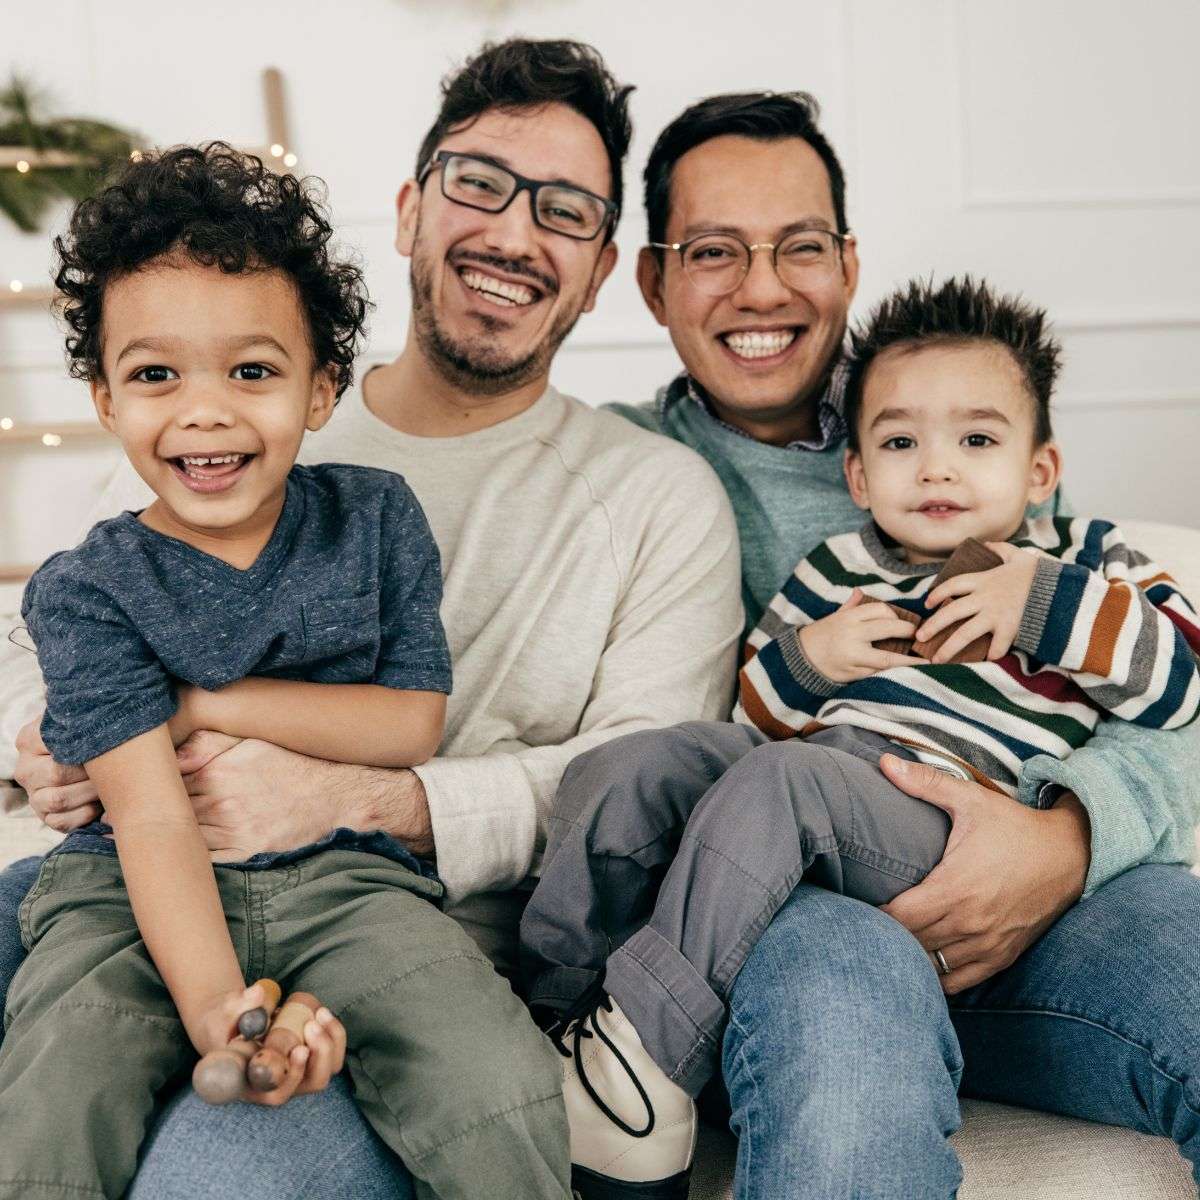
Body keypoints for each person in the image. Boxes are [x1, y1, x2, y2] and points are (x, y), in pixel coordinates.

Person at [0, 40, 742, 1199]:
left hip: (381, 897)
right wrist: (51, 739)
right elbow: (41, 664)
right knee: (55, 1066)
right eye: (480, 182)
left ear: (601, 270)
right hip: (129, 871)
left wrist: (344, 786)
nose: (512, 230)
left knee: (288, 1154)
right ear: (411, 209)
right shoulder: (193, 456)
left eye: (566, 210)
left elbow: (636, 787)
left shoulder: (636, 499)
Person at [606, 91, 1200, 1198]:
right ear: (653, 281)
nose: (765, 286)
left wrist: (1066, 838)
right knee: (844, 1046)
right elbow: (726, 731)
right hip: (804, 909)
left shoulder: (948, 411)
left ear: (847, 260)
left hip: (1049, 874)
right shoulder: (624, 470)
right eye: (713, 251)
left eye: (801, 246)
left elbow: (1164, 687)